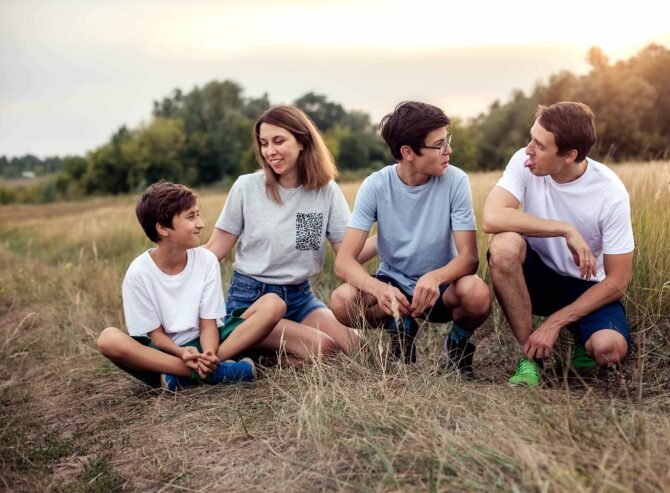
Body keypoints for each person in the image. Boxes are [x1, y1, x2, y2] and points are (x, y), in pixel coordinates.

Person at [330, 101, 491, 378]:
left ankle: (457, 344)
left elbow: (469, 258)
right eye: (439, 144)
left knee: (477, 294)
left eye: (447, 141)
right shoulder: (376, 185)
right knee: (341, 301)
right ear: (408, 152)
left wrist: (435, 278)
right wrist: (379, 289)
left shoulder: (456, 181)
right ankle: (399, 328)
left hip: (440, 287)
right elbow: (343, 262)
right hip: (393, 286)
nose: (448, 151)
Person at [483, 101, 634, 387]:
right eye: (531, 138)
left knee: (609, 349)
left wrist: (554, 323)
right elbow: (492, 218)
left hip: (587, 285)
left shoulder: (610, 192)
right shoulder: (524, 161)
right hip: (538, 280)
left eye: (540, 145)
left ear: (569, 155)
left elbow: (618, 281)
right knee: (503, 245)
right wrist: (565, 230)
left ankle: (579, 334)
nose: (528, 149)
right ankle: (530, 356)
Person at [206, 105, 367, 359]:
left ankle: (262, 351)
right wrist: (166, 265)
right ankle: (243, 341)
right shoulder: (247, 187)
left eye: (278, 141)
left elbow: (348, 253)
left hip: (300, 298)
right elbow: (214, 249)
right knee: (324, 350)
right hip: (252, 300)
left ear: (302, 141)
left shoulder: (325, 191)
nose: (270, 151)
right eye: (264, 143)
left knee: (357, 347)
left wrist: (390, 237)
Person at [96, 181, 286, 391]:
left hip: (211, 344)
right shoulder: (138, 273)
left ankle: (199, 370)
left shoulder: (206, 260)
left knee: (273, 304)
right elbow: (156, 335)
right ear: (163, 228)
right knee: (108, 339)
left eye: (198, 214)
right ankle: (212, 372)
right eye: (190, 216)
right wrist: (181, 353)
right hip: (164, 354)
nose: (201, 223)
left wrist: (209, 354)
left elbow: (208, 324)